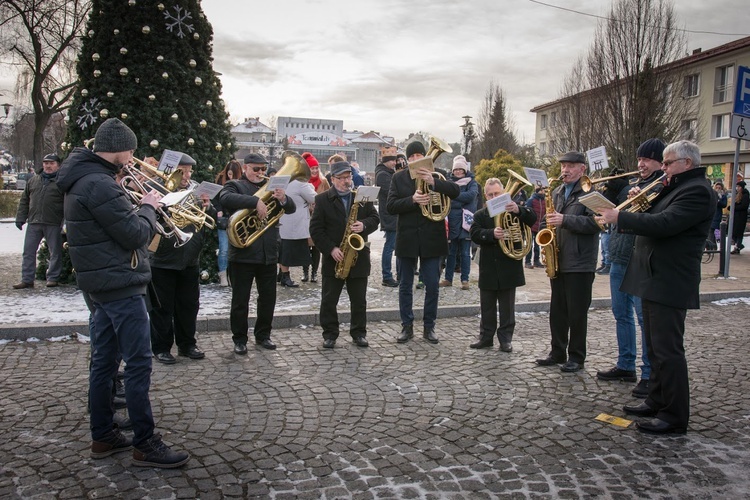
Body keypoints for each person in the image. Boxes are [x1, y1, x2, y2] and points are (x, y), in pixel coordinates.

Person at [56, 118, 189, 467]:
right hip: (119, 284)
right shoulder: (99, 184)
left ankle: (103, 435)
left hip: (101, 283)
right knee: (138, 363)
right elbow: (134, 234)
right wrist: (148, 205)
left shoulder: (85, 177)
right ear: (117, 149)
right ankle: (145, 442)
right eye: (129, 150)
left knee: (103, 361)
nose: (133, 157)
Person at [598, 140, 715, 435]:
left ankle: (674, 415)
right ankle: (657, 399)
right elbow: (654, 217)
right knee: (654, 347)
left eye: (667, 162)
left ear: (687, 163)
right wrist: (642, 201)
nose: (663, 168)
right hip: (653, 276)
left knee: (668, 350)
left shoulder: (697, 191)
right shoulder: (675, 187)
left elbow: (665, 224)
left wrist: (620, 216)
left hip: (670, 279)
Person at [596, 139, 665, 398]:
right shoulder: (635, 185)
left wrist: (633, 196)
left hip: (639, 260)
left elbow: (655, 219)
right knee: (620, 313)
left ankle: (649, 373)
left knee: (641, 317)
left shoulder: (660, 185)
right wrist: (614, 191)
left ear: (659, 161)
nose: (640, 164)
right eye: (639, 159)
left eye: (646, 159)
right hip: (619, 256)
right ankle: (626, 365)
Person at [219, 152, 295, 354]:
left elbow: (292, 208)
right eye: (256, 169)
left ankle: (263, 335)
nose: (260, 173)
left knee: (268, 298)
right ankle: (239, 339)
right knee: (240, 300)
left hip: (268, 252)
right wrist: (254, 202)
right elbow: (224, 198)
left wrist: (284, 198)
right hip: (243, 255)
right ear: (245, 168)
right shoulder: (236, 185)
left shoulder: (272, 185)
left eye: (263, 169)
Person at [387, 140, 460, 344]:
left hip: (432, 239)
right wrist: (412, 200)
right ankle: (407, 326)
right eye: (411, 157)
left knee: (432, 286)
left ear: (425, 157)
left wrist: (434, 182)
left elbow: (456, 192)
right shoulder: (398, 178)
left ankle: (429, 327)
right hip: (407, 239)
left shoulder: (437, 174)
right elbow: (391, 206)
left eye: (419, 156)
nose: (415, 160)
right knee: (405, 286)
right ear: (408, 159)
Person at [535, 151, 601, 373]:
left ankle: (577, 356)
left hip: (581, 261)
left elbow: (598, 223)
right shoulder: (557, 191)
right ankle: (557, 351)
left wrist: (566, 220)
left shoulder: (591, 193)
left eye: (571, 166)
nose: (565, 169)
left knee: (577, 312)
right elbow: (551, 221)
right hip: (559, 259)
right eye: (563, 165)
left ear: (582, 169)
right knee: (558, 310)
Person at [149, 153, 214, 365]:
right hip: (163, 258)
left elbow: (204, 218)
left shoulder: (195, 189)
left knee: (188, 305)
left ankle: (187, 344)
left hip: (189, 258)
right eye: (182, 171)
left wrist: (207, 205)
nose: (186, 176)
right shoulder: (155, 188)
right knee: (162, 307)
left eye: (189, 171)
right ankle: (161, 347)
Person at [309, 160, 379, 348]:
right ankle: (330, 334)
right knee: (329, 299)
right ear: (333, 179)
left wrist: (364, 225)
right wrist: (331, 249)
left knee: (359, 300)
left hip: (359, 256)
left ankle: (359, 333)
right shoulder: (322, 199)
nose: (347, 181)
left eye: (348, 177)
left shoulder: (362, 196)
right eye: (342, 178)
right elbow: (316, 230)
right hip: (335, 257)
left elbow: (375, 218)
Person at [469, 178, 536, 351]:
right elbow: (475, 234)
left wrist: (519, 210)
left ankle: (505, 339)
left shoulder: (513, 210)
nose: (493, 197)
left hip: (509, 265)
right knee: (487, 305)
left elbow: (532, 218)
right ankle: (486, 337)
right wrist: (492, 233)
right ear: (485, 196)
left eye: (497, 194)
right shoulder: (480, 215)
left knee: (507, 306)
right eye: (490, 194)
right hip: (489, 265)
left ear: (503, 193)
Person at [13, 153, 65, 289]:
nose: (48, 166)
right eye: (46, 163)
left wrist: (65, 222)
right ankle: (27, 279)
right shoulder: (33, 181)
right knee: (28, 252)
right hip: (34, 222)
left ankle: (53, 278)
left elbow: (68, 204)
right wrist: (20, 218)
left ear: (58, 165)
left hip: (53, 222)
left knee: (55, 252)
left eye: (51, 163)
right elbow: (25, 201)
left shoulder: (61, 182)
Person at [440, 155, 478, 290]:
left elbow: (471, 196)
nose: (458, 172)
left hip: (466, 221)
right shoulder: (448, 181)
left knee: (465, 253)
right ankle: (448, 279)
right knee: (450, 252)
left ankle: (465, 279)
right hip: (452, 220)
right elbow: (446, 199)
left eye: (460, 169)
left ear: (465, 170)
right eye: (456, 169)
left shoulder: (472, 182)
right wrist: (461, 199)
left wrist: (455, 196)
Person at [277, 174, 317, 287]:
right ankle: (285, 276)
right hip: (296, 223)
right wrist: (310, 185)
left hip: (285, 222)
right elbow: (314, 198)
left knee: (283, 250)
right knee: (287, 252)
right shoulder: (301, 185)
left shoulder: (283, 183)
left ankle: (282, 274)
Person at [213, 160, 243, 287]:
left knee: (235, 249)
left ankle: (233, 275)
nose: (231, 177)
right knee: (224, 249)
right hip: (224, 219)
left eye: (233, 175)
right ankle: (223, 275)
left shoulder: (242, 183)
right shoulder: (221, 180)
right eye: (229, 174)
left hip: (237, 219)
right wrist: (219, 209)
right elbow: (215, 198)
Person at [375, 147, 399, 287]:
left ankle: (391, 274)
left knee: (392, 245)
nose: (395, 163)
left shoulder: (388, 172)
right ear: (386, 161)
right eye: (393, 161)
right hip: (390, 215)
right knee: (390, 246)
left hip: (392, 214)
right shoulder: (383, 175)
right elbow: (393, 191)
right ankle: (387, 275)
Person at [303, 152, 329, 283]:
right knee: (305, 247)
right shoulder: (303, 183)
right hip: (306, 218)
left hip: (319, 218)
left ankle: (314, 273)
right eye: (312, 168)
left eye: (316, 168)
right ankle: (305, 272)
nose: (314, 170)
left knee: (316, 247)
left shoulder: (323, 182)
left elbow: (329, 197)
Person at [524, 186, 545, 269]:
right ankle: (527, 261)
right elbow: (527, 211)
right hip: (531, 225)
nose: (544, 191)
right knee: (529, 245)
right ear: (539, 191)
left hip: (540, 226)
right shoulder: (531, 200)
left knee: (537, 245)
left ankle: (536, 261)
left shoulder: (544, 201)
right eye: (543, 190)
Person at [730, 180, 749, 254]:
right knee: (733, 232)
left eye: (738, 186)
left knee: (739, 232)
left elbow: (744, 206)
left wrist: (734, 207)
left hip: (741, 217)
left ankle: (737, 247)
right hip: (736, 216)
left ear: (741, 187)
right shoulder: (737, 194)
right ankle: (738, 245)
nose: (737, 188)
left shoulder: (745, 195)